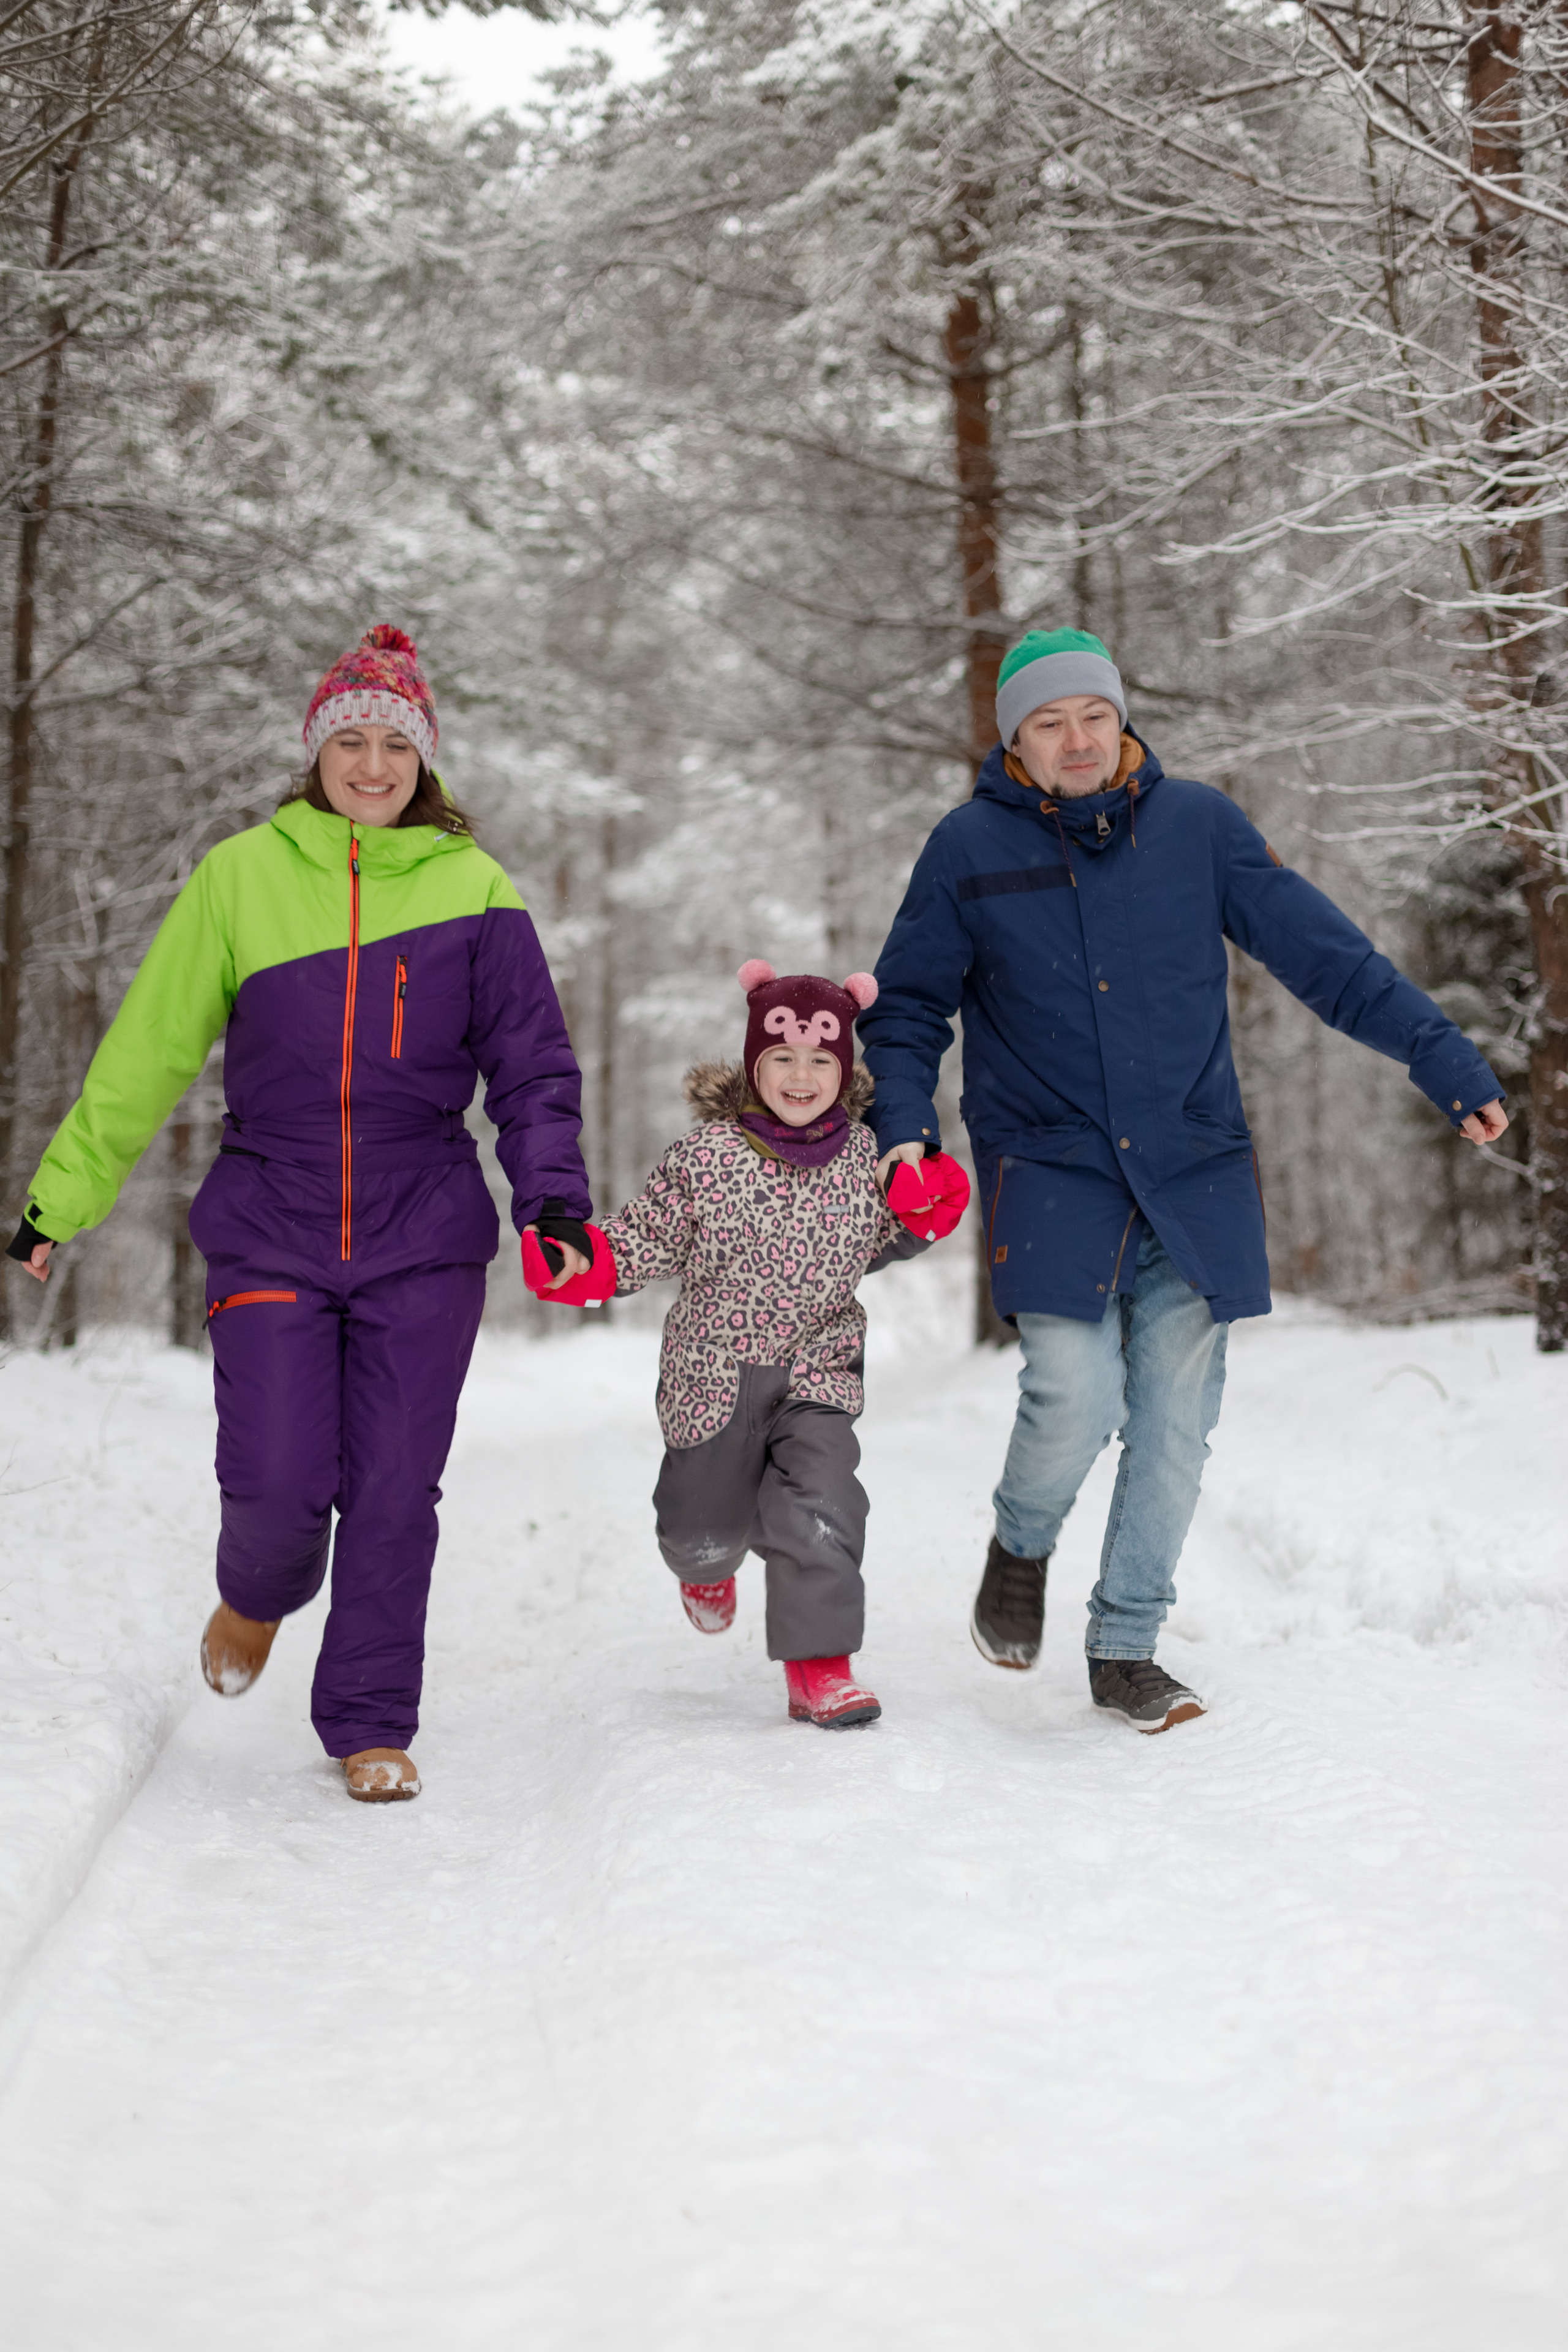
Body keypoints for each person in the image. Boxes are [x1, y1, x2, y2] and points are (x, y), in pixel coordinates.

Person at [858, 628, 1508, 1734]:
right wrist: (906, 1129)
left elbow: (1326, 957)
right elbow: (911, 1005)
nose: (1077, 740)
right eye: (1050, 722)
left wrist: (1441, 1058)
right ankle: (1022, 1539)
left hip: (1192, 1165)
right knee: (1074, 1390)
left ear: (1121, 720)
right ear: (1015, 740)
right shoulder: (968, 847)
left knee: (1172, 1424)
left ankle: (1126, 1646)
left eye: (1094, 716)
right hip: (1051, 1160)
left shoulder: (1197, 826)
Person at [7, 624, 593, 1801]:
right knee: (278, 1488)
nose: (373, 765)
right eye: (351, 742)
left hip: (424, 1227)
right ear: (316, 753)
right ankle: (257, 1594)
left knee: (394, 1493)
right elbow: (150, 1049)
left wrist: (555, 1205)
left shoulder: (475, 889)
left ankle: (371, 1724)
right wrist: (61, 1199)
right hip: (270, 1214)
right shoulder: (241, 878)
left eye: (396, 745)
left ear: (424, 760)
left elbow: (533, 1070)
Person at [526, 962, 968, 1728]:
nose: (802, 1076)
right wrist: (583, 1260)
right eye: (783, 1058)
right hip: (712, 1375)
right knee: (699, 1526)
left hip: (817, 1372)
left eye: (821, 1060)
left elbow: (899, 1228)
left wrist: (929, 1205)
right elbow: (643, 1239)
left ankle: (821, 1670)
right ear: (755, 1066)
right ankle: (703, 1567)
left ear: (845, 1071)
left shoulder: (865, 1160)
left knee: (824, 1507)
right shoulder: (705, 1158)